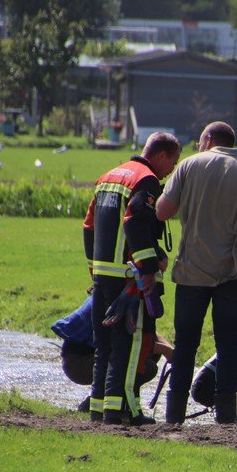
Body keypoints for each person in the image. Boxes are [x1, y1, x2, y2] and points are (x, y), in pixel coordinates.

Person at [155, 121, 237, 424]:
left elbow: (163, 211)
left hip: (191, 272)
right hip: (232, 273)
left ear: (208, 139)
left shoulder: (189, 166)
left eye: (199, 142)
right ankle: (225, 418)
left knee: (185, 345)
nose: (198, 147)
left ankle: (174, 416)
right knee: (228, 346)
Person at [84, 132, 181, 425]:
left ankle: (99, 409)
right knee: (129, 345)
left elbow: (88, 225)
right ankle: (126, 410)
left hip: (103, 276)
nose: (171, 170)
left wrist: (94, 267)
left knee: (104, 345)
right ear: (161, 156)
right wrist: (149, 268)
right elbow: (136, 221)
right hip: (129, 279)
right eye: (173, 163)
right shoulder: (146, 180)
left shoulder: (109, 176)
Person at [52, 295, 174, 412]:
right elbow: (125, 343)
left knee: (151, 352)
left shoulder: (121, 290)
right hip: (79, 362)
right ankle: (100, 400)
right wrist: (165, 350)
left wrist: (170, 349)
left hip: (86, 356)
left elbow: (144, 330)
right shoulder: (121, 299)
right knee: (148, 367)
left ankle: (107, 397)